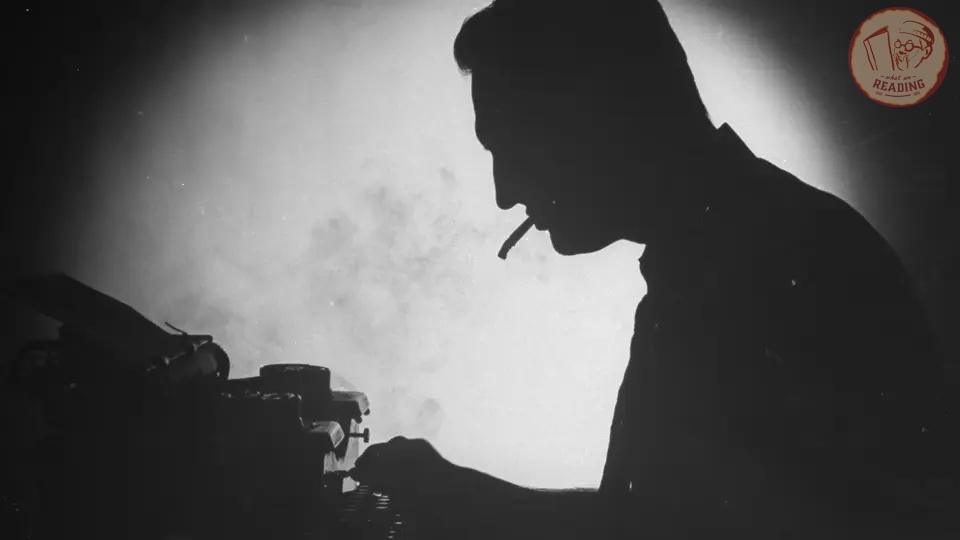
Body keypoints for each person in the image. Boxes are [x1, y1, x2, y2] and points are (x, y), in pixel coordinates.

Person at [350, 1, 954, 538]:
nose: (505, 193)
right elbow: (660, 519)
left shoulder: (769, 269)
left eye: (513, 144)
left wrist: (461, 498)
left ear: (599, 117)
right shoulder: (742, 247)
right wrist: (462, 497)